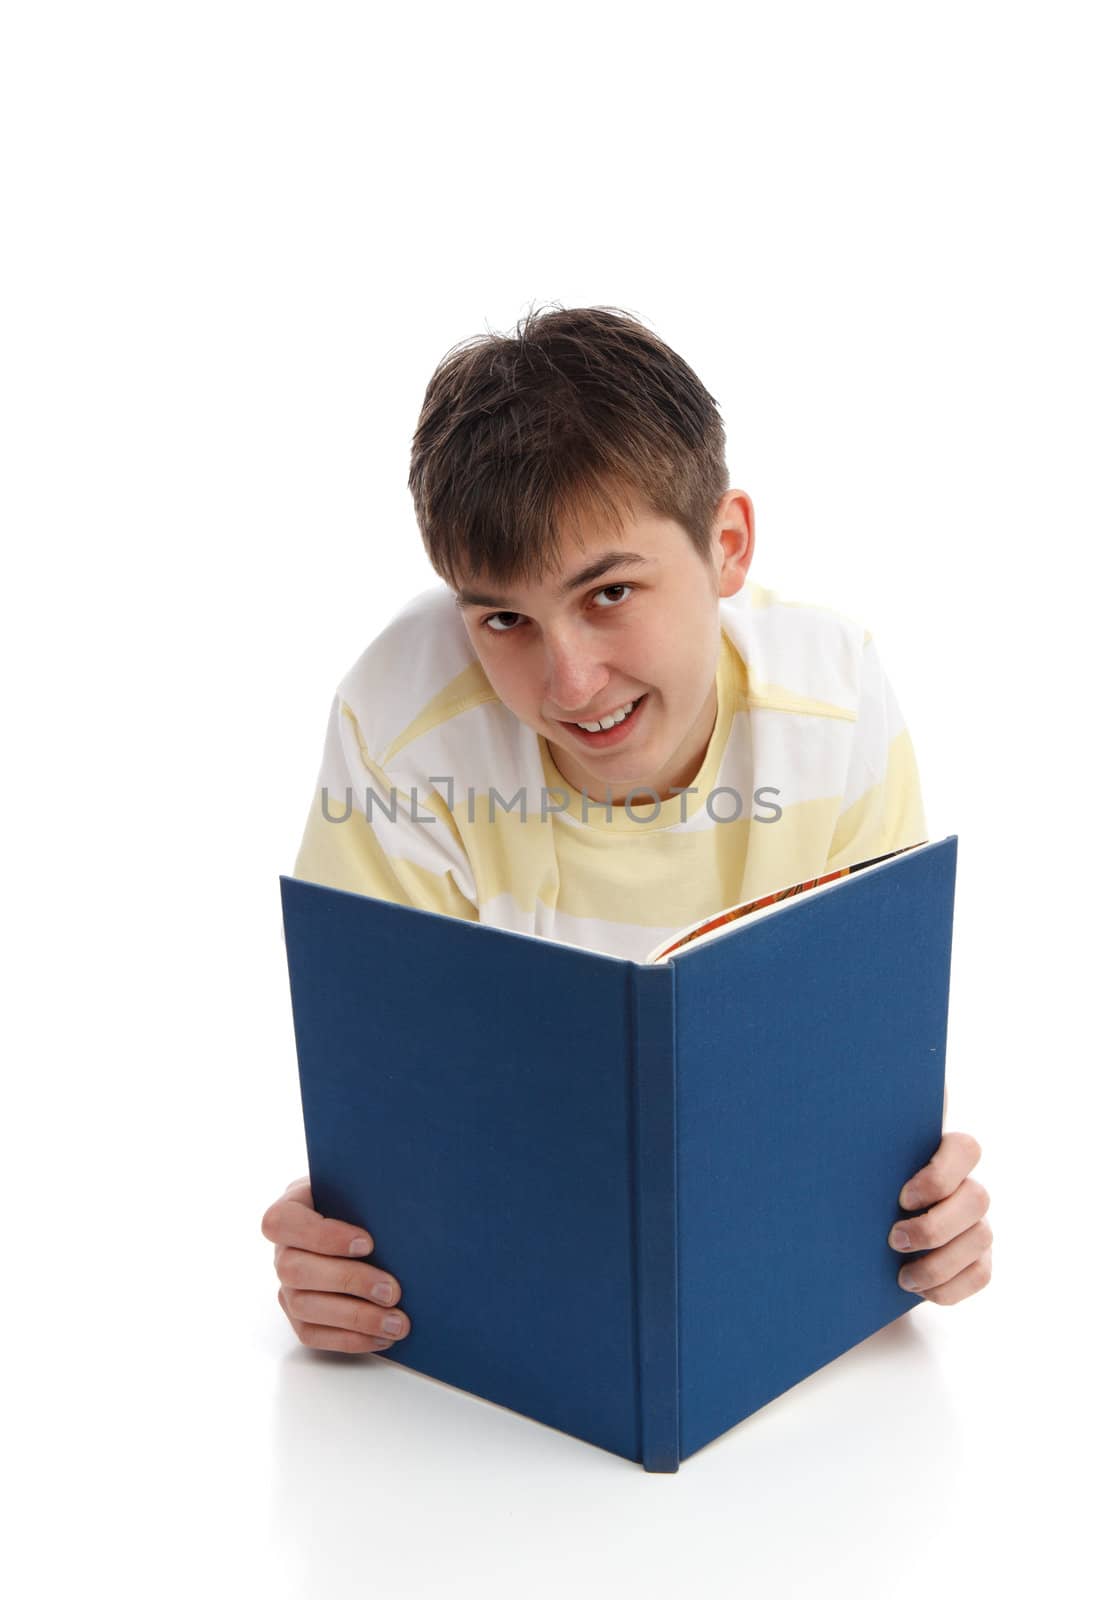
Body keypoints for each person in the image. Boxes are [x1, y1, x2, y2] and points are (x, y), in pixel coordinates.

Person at [261, 304, 992, 1357]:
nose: (567, 682)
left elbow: (853, 1087)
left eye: (608, 593)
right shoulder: (398, 722)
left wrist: (927, 1217)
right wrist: (337, 1249)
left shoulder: (833, 705)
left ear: (726, 545)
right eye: (502, 619)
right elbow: (395, 1112)